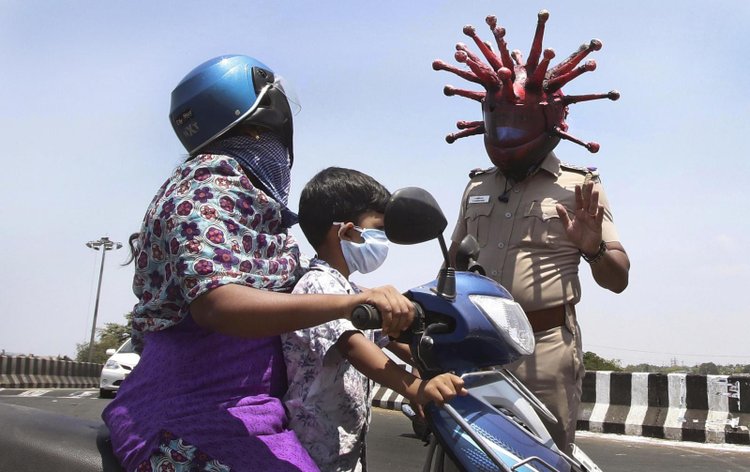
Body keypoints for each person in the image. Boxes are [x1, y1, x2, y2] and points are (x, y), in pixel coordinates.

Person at [102, 55, 414, 472]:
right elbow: (219, 304)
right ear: (262, 123)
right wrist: (347, 305)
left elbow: (300, 294)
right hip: (188, 417)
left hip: (252, 415)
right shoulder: (206, 186)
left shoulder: (245, 201)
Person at [433, 11, 631, 453]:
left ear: (549, 122)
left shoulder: (580, 186)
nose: (505, 135)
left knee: (544, 456)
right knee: (472, 452)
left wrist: (594, 248)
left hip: (544, 350)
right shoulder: (477, 185)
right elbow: (453, 264)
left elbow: (618, 278)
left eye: (517, 125)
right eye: (498, 122)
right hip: (476, 344)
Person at [282, 167, 467, 472]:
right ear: (346, 232)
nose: (384, 240)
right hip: (313, 454)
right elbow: (354, 347)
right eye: (377, 229)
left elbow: (392, 339)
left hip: (345, 449)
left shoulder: (350, 291)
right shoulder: (319, 287)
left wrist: (438, 365)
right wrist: (415, 388)